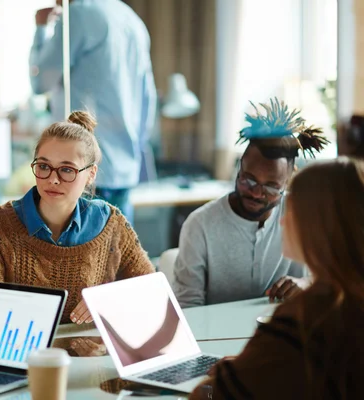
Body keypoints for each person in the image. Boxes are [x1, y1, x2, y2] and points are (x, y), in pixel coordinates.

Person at [190, 157, 364, 400]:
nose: (281, 220)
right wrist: (253, 365)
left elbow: (210, 395)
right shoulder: (348, 302)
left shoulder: (305, 321)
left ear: (317, 226)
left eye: (292, 211)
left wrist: (223, 378)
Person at [0, 111, 155, 324]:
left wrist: (109, 299)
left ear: (91, 174)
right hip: (22, 353)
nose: (53, 180)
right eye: (43, 166)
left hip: (93, 355)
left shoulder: (110, 223)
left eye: (67, 170)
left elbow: (151, 290)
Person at [173, 98, 329, 307]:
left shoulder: (304, 215)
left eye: (271, 187)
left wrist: (306, 284)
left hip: (285, 333)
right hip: (218, 336)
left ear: (289, 179)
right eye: (249, 179)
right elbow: (187, 308)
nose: (256, 193)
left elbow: (330, 280)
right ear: (239, 167)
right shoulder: (200, 225)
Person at [29, 0, 157, 224]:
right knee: (119, 255)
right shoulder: (132, 20)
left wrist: (40, 28)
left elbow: (41, 82)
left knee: (79, 257)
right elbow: (148, 99)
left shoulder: (78, 15)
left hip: (82, 169)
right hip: (124, 167)